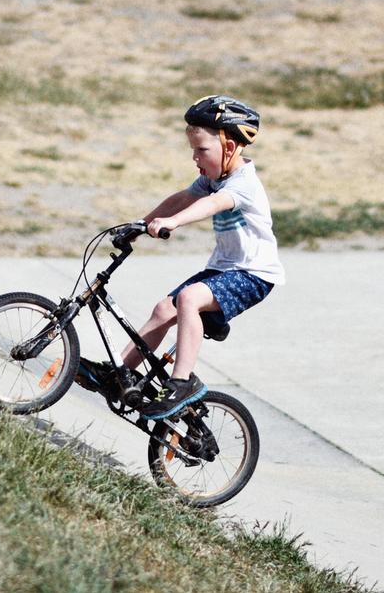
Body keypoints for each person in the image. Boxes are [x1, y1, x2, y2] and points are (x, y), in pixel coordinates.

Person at [78, 95, 284, 420]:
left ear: (229, 148)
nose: (194, 157)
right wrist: (141, 225)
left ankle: (181, 383)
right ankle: (119, 373)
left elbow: (209, 205)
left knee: (188, 299)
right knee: (164, 309)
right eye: (193, 150)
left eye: (202, 150)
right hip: (223, 269)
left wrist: (173, 223)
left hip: (254, 274)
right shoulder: (213, 178)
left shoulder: (244, 184)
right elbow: (185, 197)